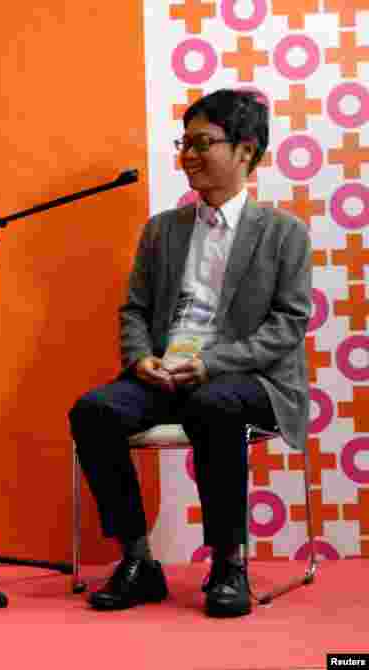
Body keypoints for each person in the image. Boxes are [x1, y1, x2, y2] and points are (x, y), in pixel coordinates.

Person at [68, 89, 312, 618]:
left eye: (203, 143)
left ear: (245, 151)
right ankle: (138, 561)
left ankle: (228, 561)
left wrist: (215, 363)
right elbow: (133, 309)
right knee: (94, 411)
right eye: (185, 144)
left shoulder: (284, 234)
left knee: (214, 404)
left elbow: (290, 324)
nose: (188, 156)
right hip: (166, 374)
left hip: (248, 379)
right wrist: (140, 361)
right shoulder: (162, 230)